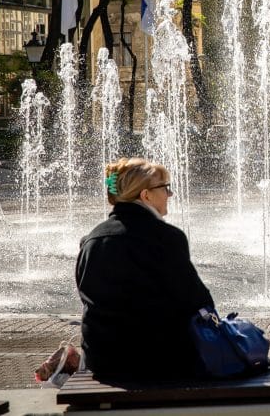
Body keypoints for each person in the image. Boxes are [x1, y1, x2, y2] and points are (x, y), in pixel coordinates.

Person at [75, 157, 214, 382]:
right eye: (165, 188)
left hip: (102, 360)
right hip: (158, 361)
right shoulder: (167, 238)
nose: (169, 194)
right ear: (145, 195)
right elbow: (196, 301)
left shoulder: (91, 239)